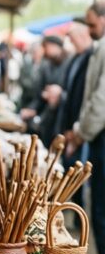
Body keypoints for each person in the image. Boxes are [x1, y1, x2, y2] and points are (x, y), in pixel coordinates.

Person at [69, 0, 105, 254]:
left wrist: (82, 131)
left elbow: (100, 101)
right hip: (97, 135)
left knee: (102, 204)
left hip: (101, 137)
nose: (90, 28)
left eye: (92, 24)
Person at [55, 23, 94, 207]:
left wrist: (76, 128)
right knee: (70, 166)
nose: (70, 42)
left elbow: (85, 98)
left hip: (79, 125)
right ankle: (73, 207)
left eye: (73, 38)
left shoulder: (89, 58)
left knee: (78, 170)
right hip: (70, 122)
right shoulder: (75, 59)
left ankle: (78, 212)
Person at [20, 35, 69, 142]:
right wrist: (32, 108)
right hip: (46, 115)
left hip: (62, 116)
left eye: (46, 47)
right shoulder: (46, 65)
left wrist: (59, 94)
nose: (45, 50)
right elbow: (39, 91)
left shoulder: (68, 63)